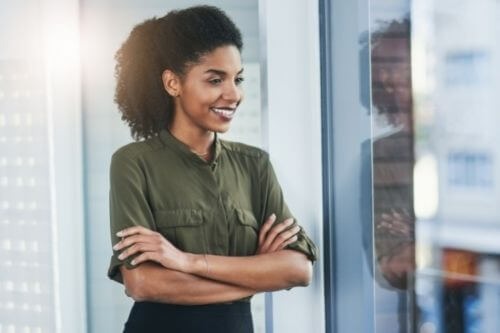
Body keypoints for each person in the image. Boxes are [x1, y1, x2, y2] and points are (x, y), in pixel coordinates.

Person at [106, 5, 318, 333]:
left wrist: (185, 261)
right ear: (173, 83)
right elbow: (143, 283)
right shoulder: (133, 163)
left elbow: (298, 269)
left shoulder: (255, 166)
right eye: (215, 79)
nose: (234, 94)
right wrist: (256, 276)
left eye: (238, 79)